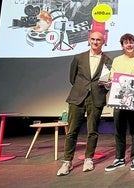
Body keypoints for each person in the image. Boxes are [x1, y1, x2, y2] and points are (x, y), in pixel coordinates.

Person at [56, 31, 113, 176]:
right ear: (89, 40)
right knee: (72, 130)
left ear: (103, 41)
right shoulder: (79, 57)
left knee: (92, 130)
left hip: (96, 97)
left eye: (98, 40)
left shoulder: (107, 60)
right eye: (93, 39)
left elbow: (105, 81)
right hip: (77, 96)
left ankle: (89, 159)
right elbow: (72, 78)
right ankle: (67, 162)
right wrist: (82, 88)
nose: (95, 42)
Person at [104, 33, 134, 172]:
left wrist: (120, 79)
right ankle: (119, 158)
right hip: (119, 99)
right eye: (126, 43)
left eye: (131, 42)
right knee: (119, 130)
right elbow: (112, 76)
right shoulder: (116, 60)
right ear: (122, 46)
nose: (129, 45)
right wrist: (112, 81)